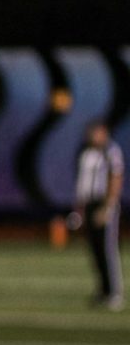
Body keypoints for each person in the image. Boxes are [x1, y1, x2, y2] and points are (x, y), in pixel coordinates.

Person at [72, 122, 124, 310]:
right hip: (89, 204)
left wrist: (108, 207)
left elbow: (116, 178)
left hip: (103, 203)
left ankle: (114, 293)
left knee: (107, 250)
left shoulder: (111, 151)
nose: (92, 136)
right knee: (94, 250)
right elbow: (82, 184)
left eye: (95, 133)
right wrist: (79, 209)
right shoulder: (86, 153)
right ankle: (103, 290)